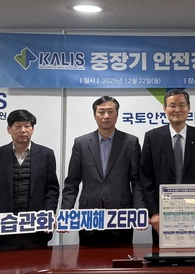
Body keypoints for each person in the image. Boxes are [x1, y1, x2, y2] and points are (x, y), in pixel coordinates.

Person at [0, 109, 60, 252]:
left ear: (32, 129)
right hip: (4, 230)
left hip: (36, 231)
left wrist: (48, 213)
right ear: (9, 129)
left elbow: (52, 189)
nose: (23, 130)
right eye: (18, 126)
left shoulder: (46, 154)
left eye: (27, 126)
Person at [61, 96, 144, 245]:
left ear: (117, 114)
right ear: (95, 115)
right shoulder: (81, 143)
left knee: (121, 257)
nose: (106, 116)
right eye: (101, 112)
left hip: (121, 216)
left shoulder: (131, 142)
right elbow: (72, 182)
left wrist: (140, 211)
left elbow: (137, 181)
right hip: (89, 216)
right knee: (87, 257)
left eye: (110, 111)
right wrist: (65, 213)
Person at [139, 89, 195, 245]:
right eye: (172, 106)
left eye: (182, 105)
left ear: (189, 108)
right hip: (162, 216)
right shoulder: (152, 138)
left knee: (194, 257)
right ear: (164, 109)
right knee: (162, 257)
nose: (177, 110)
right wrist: (154, 212)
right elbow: (146, 178)